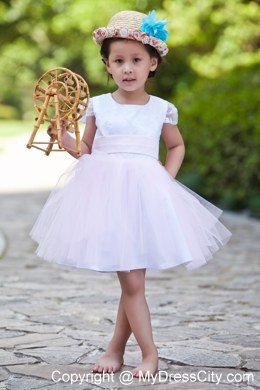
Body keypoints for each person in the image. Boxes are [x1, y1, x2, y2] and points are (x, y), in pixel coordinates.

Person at [30, 10, 232, 377]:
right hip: (108, 199)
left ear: (152, 63)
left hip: (146, 197)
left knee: (132, 279)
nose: (127, 69)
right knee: (131, 278)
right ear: (107, 65)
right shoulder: (99, 107)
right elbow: (86, 149)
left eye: (136, 60)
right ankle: (121, 350)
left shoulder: (161, 110)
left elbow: (176, 147)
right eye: (118, 61)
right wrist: (61, 134)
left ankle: (145, 354)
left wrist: (165, 180)